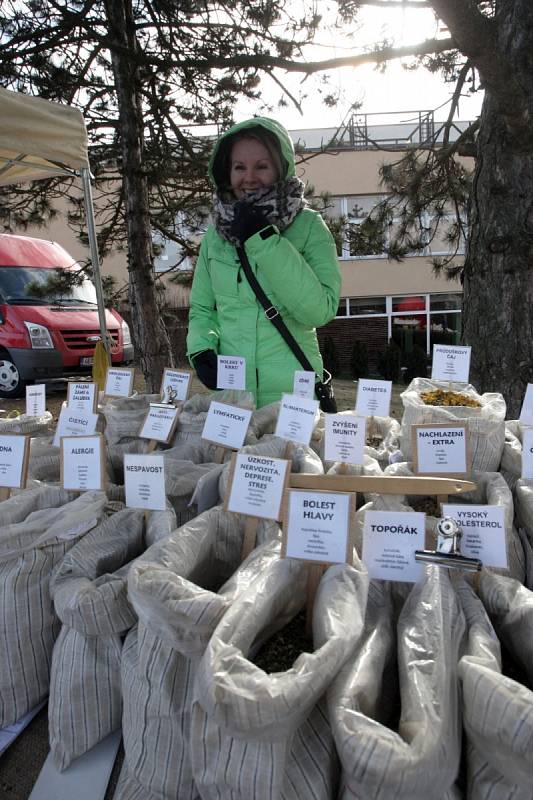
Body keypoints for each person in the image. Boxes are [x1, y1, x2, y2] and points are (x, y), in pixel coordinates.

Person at [187, 117, 341, 408]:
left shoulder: (309, 227)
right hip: (234, 397)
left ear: (280, 168)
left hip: (292, 399)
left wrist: (263, 239)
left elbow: (319, 310)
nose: (249, 177)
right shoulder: (216, 236)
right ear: (226, 171)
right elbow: (202, 308)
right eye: (239, 167)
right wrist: (201, 348)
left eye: (261, 166)